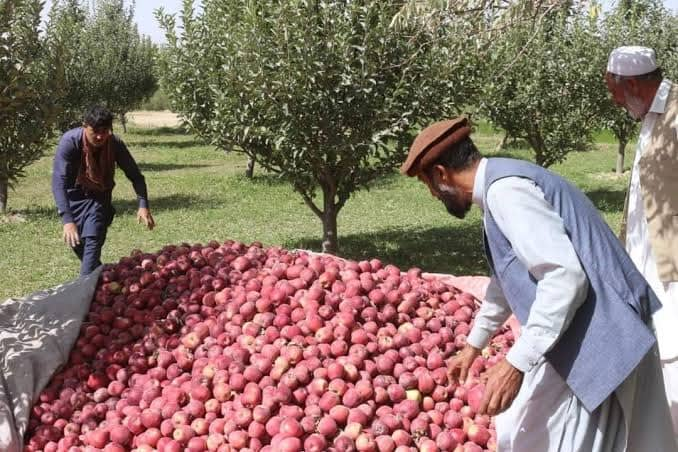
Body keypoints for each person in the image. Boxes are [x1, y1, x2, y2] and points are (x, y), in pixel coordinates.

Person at [400, 117, 677, 451]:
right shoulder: (498, 189)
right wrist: (475, 343)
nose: (433, 195)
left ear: (442, 174)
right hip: (581, 332)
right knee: (525, 434)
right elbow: (507, 275)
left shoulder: (507, 193)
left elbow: (565, 277)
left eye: (428, 184)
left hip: (600, 337)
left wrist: (516, 363)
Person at [605, 45, 678, 441]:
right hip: (645, 259)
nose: (615, 102)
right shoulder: (650, 117)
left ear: (631, 83)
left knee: (673, 357)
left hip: (671, 265)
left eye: (614, 92)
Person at [52, 106, 155, 276]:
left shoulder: (114, 144)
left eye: (105, 131)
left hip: (100, 196)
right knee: (78, 243)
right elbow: (59, 181)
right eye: (95, 131)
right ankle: (104, 276)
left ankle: (82, 290)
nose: (100, 136)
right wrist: (68, 220)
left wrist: (143, 205)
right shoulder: (70, 142)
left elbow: (135, 175)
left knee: (93, 238)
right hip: (74, 196)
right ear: (85, 126)